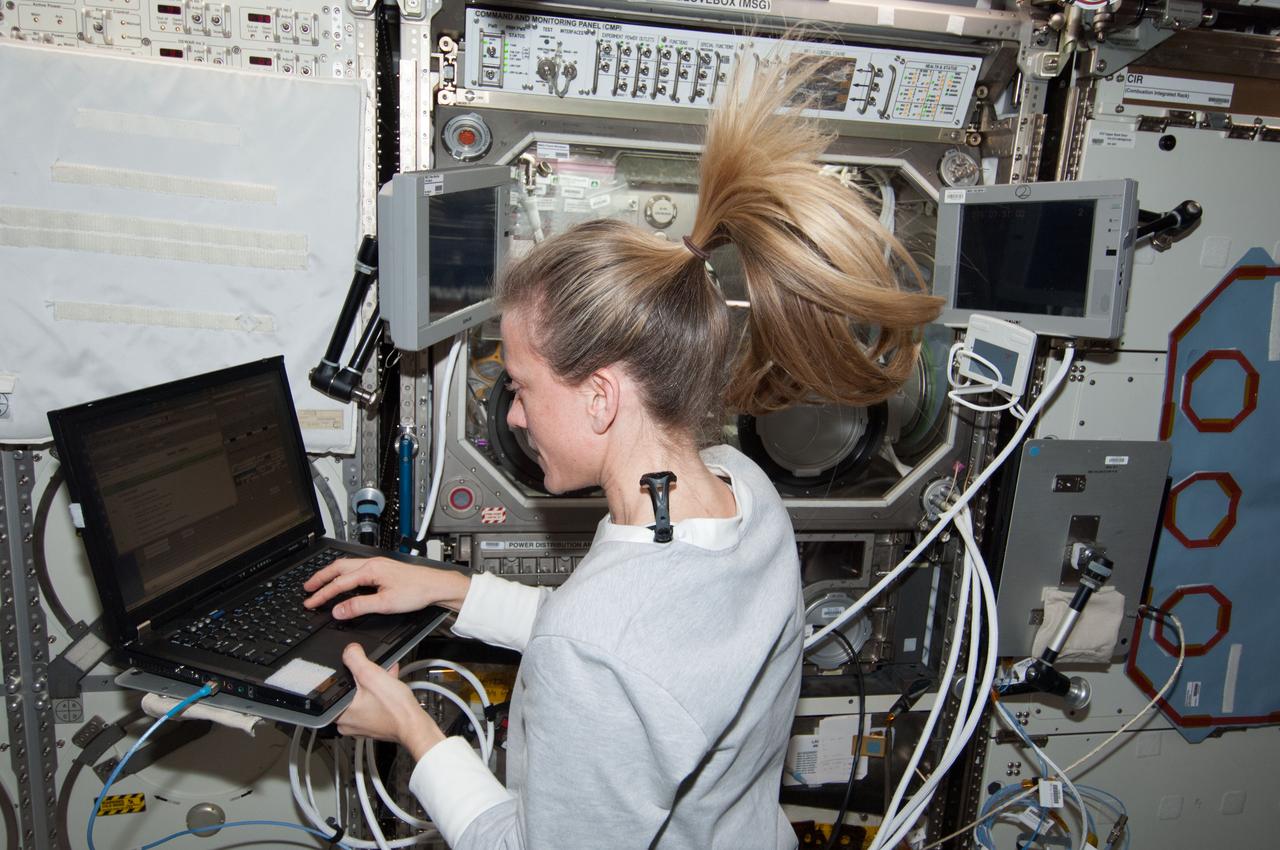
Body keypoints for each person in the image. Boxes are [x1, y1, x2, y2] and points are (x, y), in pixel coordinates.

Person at [303, 54, 942, 849]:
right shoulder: (743, 493)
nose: (519, 417)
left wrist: (414, 732)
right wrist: (446, 589)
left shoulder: (603, 640)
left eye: (524, 385)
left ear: (601, 396)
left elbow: (601, 662)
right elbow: (624, 648)